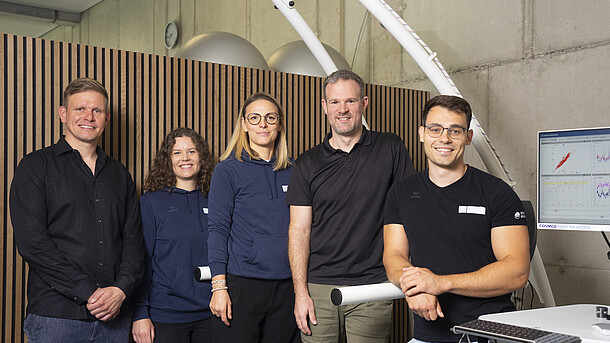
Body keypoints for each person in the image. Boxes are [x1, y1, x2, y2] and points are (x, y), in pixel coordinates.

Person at [383, 95, 530, 343]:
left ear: (468, 137)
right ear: (421, 133)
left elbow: (517, 271)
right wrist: (414, 286)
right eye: (435, 129)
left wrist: (440, 283)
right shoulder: (401, 192)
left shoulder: (496, 192)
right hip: (428, 335)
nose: (444, 138)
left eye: (455, 130)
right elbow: (393, 255)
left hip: (488, 332)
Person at [9, 77, 145, 342]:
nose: (88, 117)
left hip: (115, 318)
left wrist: (119, 291)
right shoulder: (36, 166)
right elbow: (33, 244)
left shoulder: (120, 174)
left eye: (96, 110)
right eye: (80, 109)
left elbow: (133, 243)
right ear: (63, 114)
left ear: (106, 118)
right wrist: (90, 293)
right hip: (56, 318)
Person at [286, 69, 416, 343]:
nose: (342, 109)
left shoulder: (390, 148)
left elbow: (410, 214)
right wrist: (301, 293)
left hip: (373, 285)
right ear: (324, 107)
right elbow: (299, 230)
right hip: (318, 286)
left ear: (364, 103)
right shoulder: (307, 162)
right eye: (334, 102)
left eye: (350, 101)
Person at [207, 92, 299, 342]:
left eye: (270, 117)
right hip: (242, 285)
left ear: (279, 125)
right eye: (255, 117)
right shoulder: (227, 169)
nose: (263, 124)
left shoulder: (295, 170)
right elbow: (217, 230)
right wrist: (219, 287)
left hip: (288, 286)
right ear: (244, 124)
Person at [131, 128, 215, 343]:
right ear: (167, 160)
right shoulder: (151, 203)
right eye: (177, 153)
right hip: (166, 315)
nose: (185, 158)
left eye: (191, 152)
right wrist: (140, 314)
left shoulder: (217, 200)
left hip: (212, 313)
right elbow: (141, 262)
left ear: (201, 157)